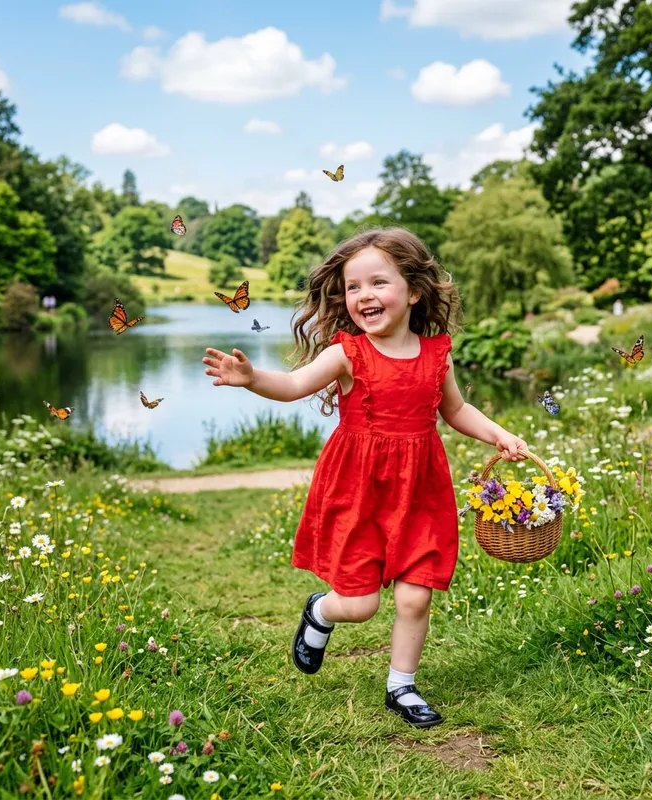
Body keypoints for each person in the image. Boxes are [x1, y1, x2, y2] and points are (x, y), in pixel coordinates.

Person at [201, 227, 528, 729]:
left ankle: (403, 686)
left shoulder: (437, 352)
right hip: (359, 490)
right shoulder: (347, 353)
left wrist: (500, 435)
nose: (363, 296)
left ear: (414, 290)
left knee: (416, 594)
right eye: (354, 287)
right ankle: (321, 613)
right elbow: (291, 385)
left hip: (421, 489)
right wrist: (252, 380)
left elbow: (456, 410)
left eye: (378, 282)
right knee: (358, 604)